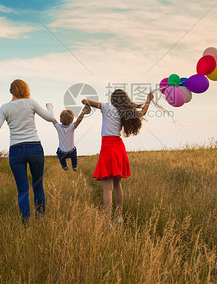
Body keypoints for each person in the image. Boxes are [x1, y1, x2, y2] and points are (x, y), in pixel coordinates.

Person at [0, 79, 54, 222]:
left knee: (22, 190)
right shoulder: (31, 103)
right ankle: (40, 221)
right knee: (38, 186)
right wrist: (49, 106)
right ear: (26, 90)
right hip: (34, 148)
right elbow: (50, 117)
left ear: (11, 91)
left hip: (16, 150)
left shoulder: (5, 108)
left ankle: (26, 224)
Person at [82, 89, 153, 223]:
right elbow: (142, 112)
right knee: (117, 185)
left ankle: (108, 221)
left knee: (107, 187)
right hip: (119, 147)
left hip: (108, 147)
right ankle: (119, 217)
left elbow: (84, 100)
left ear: (113, 99)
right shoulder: (124, 111)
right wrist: (148, 99)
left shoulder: (106, 107)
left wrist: (87, 105)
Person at [53, 105, 91, 172]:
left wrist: (50, 110)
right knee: (74, 151)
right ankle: (75, 166)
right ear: (72, 121)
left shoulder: (58, 127)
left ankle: (64, 165)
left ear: (60, 119)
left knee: (58, 152)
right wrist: (83, 112)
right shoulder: (72, 127)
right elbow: (79, 120)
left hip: (62, 153)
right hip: (71, 152)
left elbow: (52, 118)